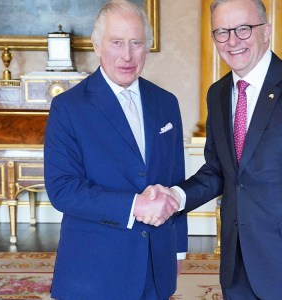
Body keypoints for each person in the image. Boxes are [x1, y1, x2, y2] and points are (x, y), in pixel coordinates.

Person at [162, 0, 282, 299]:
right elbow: (219, 170)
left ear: (266, 31)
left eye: (243, 29)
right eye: (222, 32)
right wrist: (176, 196)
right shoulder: (218, 93)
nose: (232, 41)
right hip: (236, 261)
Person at [43, 1, 187, 299]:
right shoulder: (68, 107)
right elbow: (63, 190)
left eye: (136, 43)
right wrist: (135, 206)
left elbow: (176, 179)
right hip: (94, 267)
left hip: (155, 260)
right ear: (97, 46)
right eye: (117, 42)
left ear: (147, 46)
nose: (127, 55)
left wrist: (178, 247)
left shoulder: (166, 102)